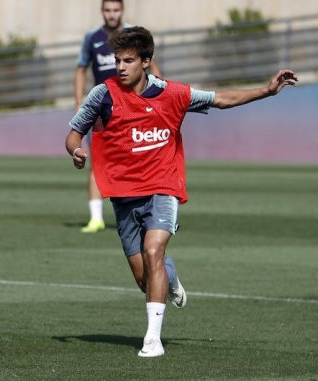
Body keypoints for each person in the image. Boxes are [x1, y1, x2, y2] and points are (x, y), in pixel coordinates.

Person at [65, 26, 298, 357]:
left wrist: (267, 90)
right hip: (123, 193)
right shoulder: (102, 94)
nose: (120, 67)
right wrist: (76, 150)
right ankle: (170, 279)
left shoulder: (173, 93)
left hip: (164, 186)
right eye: (117, 61)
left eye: (128, 61)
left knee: (154, 250)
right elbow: (74, 132)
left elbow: (221, 99)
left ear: (146, 62)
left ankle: (152, 339)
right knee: (146, 277)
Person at [74, 0, 161, 233]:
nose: (112, 15)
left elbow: (153, 68)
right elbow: (81, 69)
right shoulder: (92, 38)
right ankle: (96, 218)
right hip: (103, 109)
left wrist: (158, 97)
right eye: (107, 10)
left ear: (122, 11)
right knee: (97, 162)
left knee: (138, 159)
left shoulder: (133, 36)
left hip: (132, 109)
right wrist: (78, 103)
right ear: (102, 12)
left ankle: (146, 211)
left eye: (115, 10)